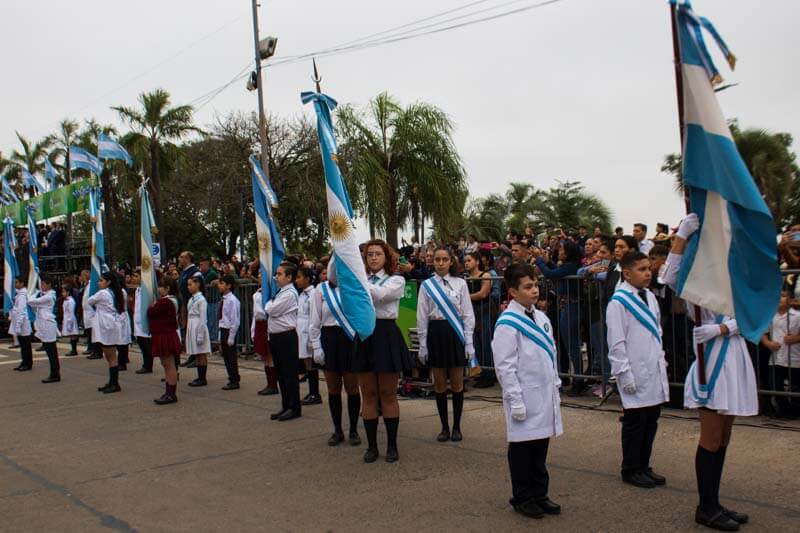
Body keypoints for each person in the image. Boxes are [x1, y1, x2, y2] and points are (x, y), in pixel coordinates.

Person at [662, 214, 756, 530]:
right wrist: (682, 236)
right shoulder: (694, 285)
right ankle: (706, 507)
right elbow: (668, 276)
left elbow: (754, 315)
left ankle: (714, 502)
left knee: (725, 435)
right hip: (712, 360)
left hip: (734, 354)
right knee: (712, 437)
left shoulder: (734, 279)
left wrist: (722, 327)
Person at [492, 262, 563, 519]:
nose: (535, 290)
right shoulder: (507, 324)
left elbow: (550, 354)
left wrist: (555, 381)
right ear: (513, 291)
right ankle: (522, 497)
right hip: (523, 394)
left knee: (540, 447)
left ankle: (540, 493)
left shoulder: (541, 317)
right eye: (528, 287)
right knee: (523, 448)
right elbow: (505, 366)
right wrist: (515, 399)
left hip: (543, 393)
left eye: (536, 285)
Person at [606, 251, 669, 490]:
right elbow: (616, 342)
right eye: (641, 269)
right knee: (635, 421)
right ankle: (630, 468)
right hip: (633, 370)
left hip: (652, 367)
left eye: (648, 268)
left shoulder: (650, 297)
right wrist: (624, 373)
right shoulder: (618, 302)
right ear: (627, 273)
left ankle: (644, 465)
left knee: (651, 419)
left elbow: (657, 334)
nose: (647, 273)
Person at [353, 240, 412, 462]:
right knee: (368, 395)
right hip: (365, 335)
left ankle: (392, 445)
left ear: (386, 257)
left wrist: (356, 283)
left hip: (386, 335)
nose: (374, 258)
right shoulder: (364, 280)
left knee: (387, 394)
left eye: (378, 254)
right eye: (369, 255)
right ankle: (371, 446)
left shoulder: (396, 280)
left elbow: (379, 295)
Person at [417, 246, 475, 443]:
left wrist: (469, 343)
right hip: (436, 333)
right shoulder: (426, 285)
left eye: (444, 259)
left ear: (451, 261)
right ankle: (444, 427)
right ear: (432, 262)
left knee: (457, 383)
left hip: (455, 334)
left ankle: (457, 427)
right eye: (437, 259)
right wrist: (423, 344)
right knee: (440, 384)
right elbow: (422, 316)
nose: (441, 263)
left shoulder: (460, 284)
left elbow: (467, 314)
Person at [309, 271, 362, 447]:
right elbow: (314, 319)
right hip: (329, 338)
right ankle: (337, 430)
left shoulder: (353, 286)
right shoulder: (321, 289)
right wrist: (316, 346)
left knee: (352, 387)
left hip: (350, 338)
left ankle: (353, 430)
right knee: (333, 388)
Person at [534, 240, 584, 395]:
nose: (559, 250)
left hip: (571, 307)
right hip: (566, 306)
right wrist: (548, 262)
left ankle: (578, 380)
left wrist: (540, 261)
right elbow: (558, 271)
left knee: (572, 345)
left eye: (562, 248)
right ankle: (574, 377)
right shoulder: (569, 266)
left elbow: (551, 274)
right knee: (567, 343)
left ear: (568, 251)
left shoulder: (571, 266)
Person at [266, 262, 301, 421]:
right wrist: (270, 306)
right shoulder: (281, 292)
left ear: (289, 277)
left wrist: (269, 305)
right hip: (276, 336)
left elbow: (271, 309)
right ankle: (285, 405)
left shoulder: (290, 293)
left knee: (289, 374)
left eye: (279, 274)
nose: (276, 277)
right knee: (280, 373)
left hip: (286, 337)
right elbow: (270, 308)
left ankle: (294, 407)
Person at [88, 272, 129, 394]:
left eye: (101, 280)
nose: (98, 283)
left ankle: (114, 383)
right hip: (112, 324)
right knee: (110, 355)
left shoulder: (103, 293)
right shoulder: (119, 292)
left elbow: (90, 301)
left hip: (106, 326)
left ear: (108, 282)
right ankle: (112, 381)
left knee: (110, 356)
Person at [763, 288, 800, 418]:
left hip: (794, 357)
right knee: (775, 385)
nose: (779, 299)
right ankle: (784, 410)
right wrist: (768, 343)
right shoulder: (770, 316)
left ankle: (795, 411)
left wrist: (795, 338)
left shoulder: (797, 316)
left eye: (783, 296)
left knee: (795, 386)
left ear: (789, 300)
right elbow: (764, 333)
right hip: (776, 357)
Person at [147, 276, 181, 404]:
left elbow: (151, 312)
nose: (159, 289)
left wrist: (152, 305)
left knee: (169, 365)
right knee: (167, 365)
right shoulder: (169, 300)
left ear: (167, 288)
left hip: (165, 335)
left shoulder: (166, 301)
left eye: (161, 286)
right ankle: (168, 392)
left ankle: (171, 394)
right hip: (165, 334)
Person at [465, 251, 494, 380]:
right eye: (465, 261)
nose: (466, 263)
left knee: (485, 342)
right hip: (472, 312)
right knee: (476, 343)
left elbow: (483, 294)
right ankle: (479, 371)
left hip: (485, 311)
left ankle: (489, 374)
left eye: (469, 260)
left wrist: (464, 297)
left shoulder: (485, 275)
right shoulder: (465, 278)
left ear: (477, 261)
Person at [296, 267, 320, 404]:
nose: (296, 280)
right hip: (301, 331)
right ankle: (312, 392)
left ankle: (315, 393)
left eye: (299, 277)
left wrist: (312, 338)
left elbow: (314, 317)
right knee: (306, 362)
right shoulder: (302, 294)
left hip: (309, 331)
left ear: (307, 279)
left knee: (310, 363)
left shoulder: (313, 294)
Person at [29, 276, 60, 383]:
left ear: (49, 285)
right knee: (50, 351)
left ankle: (55, 374)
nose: (41, 286)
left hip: (48, 325)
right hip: (45, 325)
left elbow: (31, 302)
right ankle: (54, 373)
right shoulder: (47, 295)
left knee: (51, 352)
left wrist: (33, 292)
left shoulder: (48, 296)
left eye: (43, 284)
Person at [250, 278, 279, 396]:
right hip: (259, 323)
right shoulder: (257, 293)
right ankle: (269, 383)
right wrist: (253, 329)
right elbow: (255, 313)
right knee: (264, 356)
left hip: (267, 323)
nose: (260, 276)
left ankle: (273, 385)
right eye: (259, 274)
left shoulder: (272, 292)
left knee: (270, 355)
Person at [185, 275, 212, 388]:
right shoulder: (192, 298)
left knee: (201, 352)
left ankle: (202, 378)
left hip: (198, 325)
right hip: (192, 324)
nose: (188, 287)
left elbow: (203, 318)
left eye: (191, 284)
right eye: (188, 285)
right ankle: (199, 376)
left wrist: (200, 334)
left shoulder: (201, 300)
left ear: (198, 284)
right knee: (196, 352)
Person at [217, 275, 241, 390]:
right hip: (223, 329)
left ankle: (234, 379)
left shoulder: (232, 300)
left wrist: (231, 336)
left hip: (229, 330)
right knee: (226, 356)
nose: (219, 285)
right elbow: (222, 318)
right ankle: (231, 377)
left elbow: (235, 320)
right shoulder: (223, 299)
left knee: (231, 356)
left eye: (222, 283)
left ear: (229, 286)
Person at [132, 273, 154, 374]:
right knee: (141, 343)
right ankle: (145, 364)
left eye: (136, 276)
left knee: (146, 345)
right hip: (137, 320)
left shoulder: (146, 290)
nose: (134, 278)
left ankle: (148, 365)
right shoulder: (137, 289)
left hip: (144, 320)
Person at [10, 276, 33, 371]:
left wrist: (18, 325)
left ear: (22, 283)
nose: (15, 284)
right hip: (20, 323)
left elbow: (22, 312)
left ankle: (27, 363)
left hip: (23, 324)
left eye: (17, 282)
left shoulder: (23, 295)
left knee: (25, 345)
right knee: (23, 346)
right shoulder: (19, 294)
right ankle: (24, 362)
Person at [60, 285, 80, 356]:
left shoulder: (71, 301)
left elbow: (71, 312)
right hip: (67, 319)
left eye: (64, 292)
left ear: (68, 292)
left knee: (73, 334)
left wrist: (69, 322)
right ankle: (73, 349)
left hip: (70, 320)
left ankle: (74, 350)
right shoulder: (66, 300)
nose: (62, 293)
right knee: (72, 335)